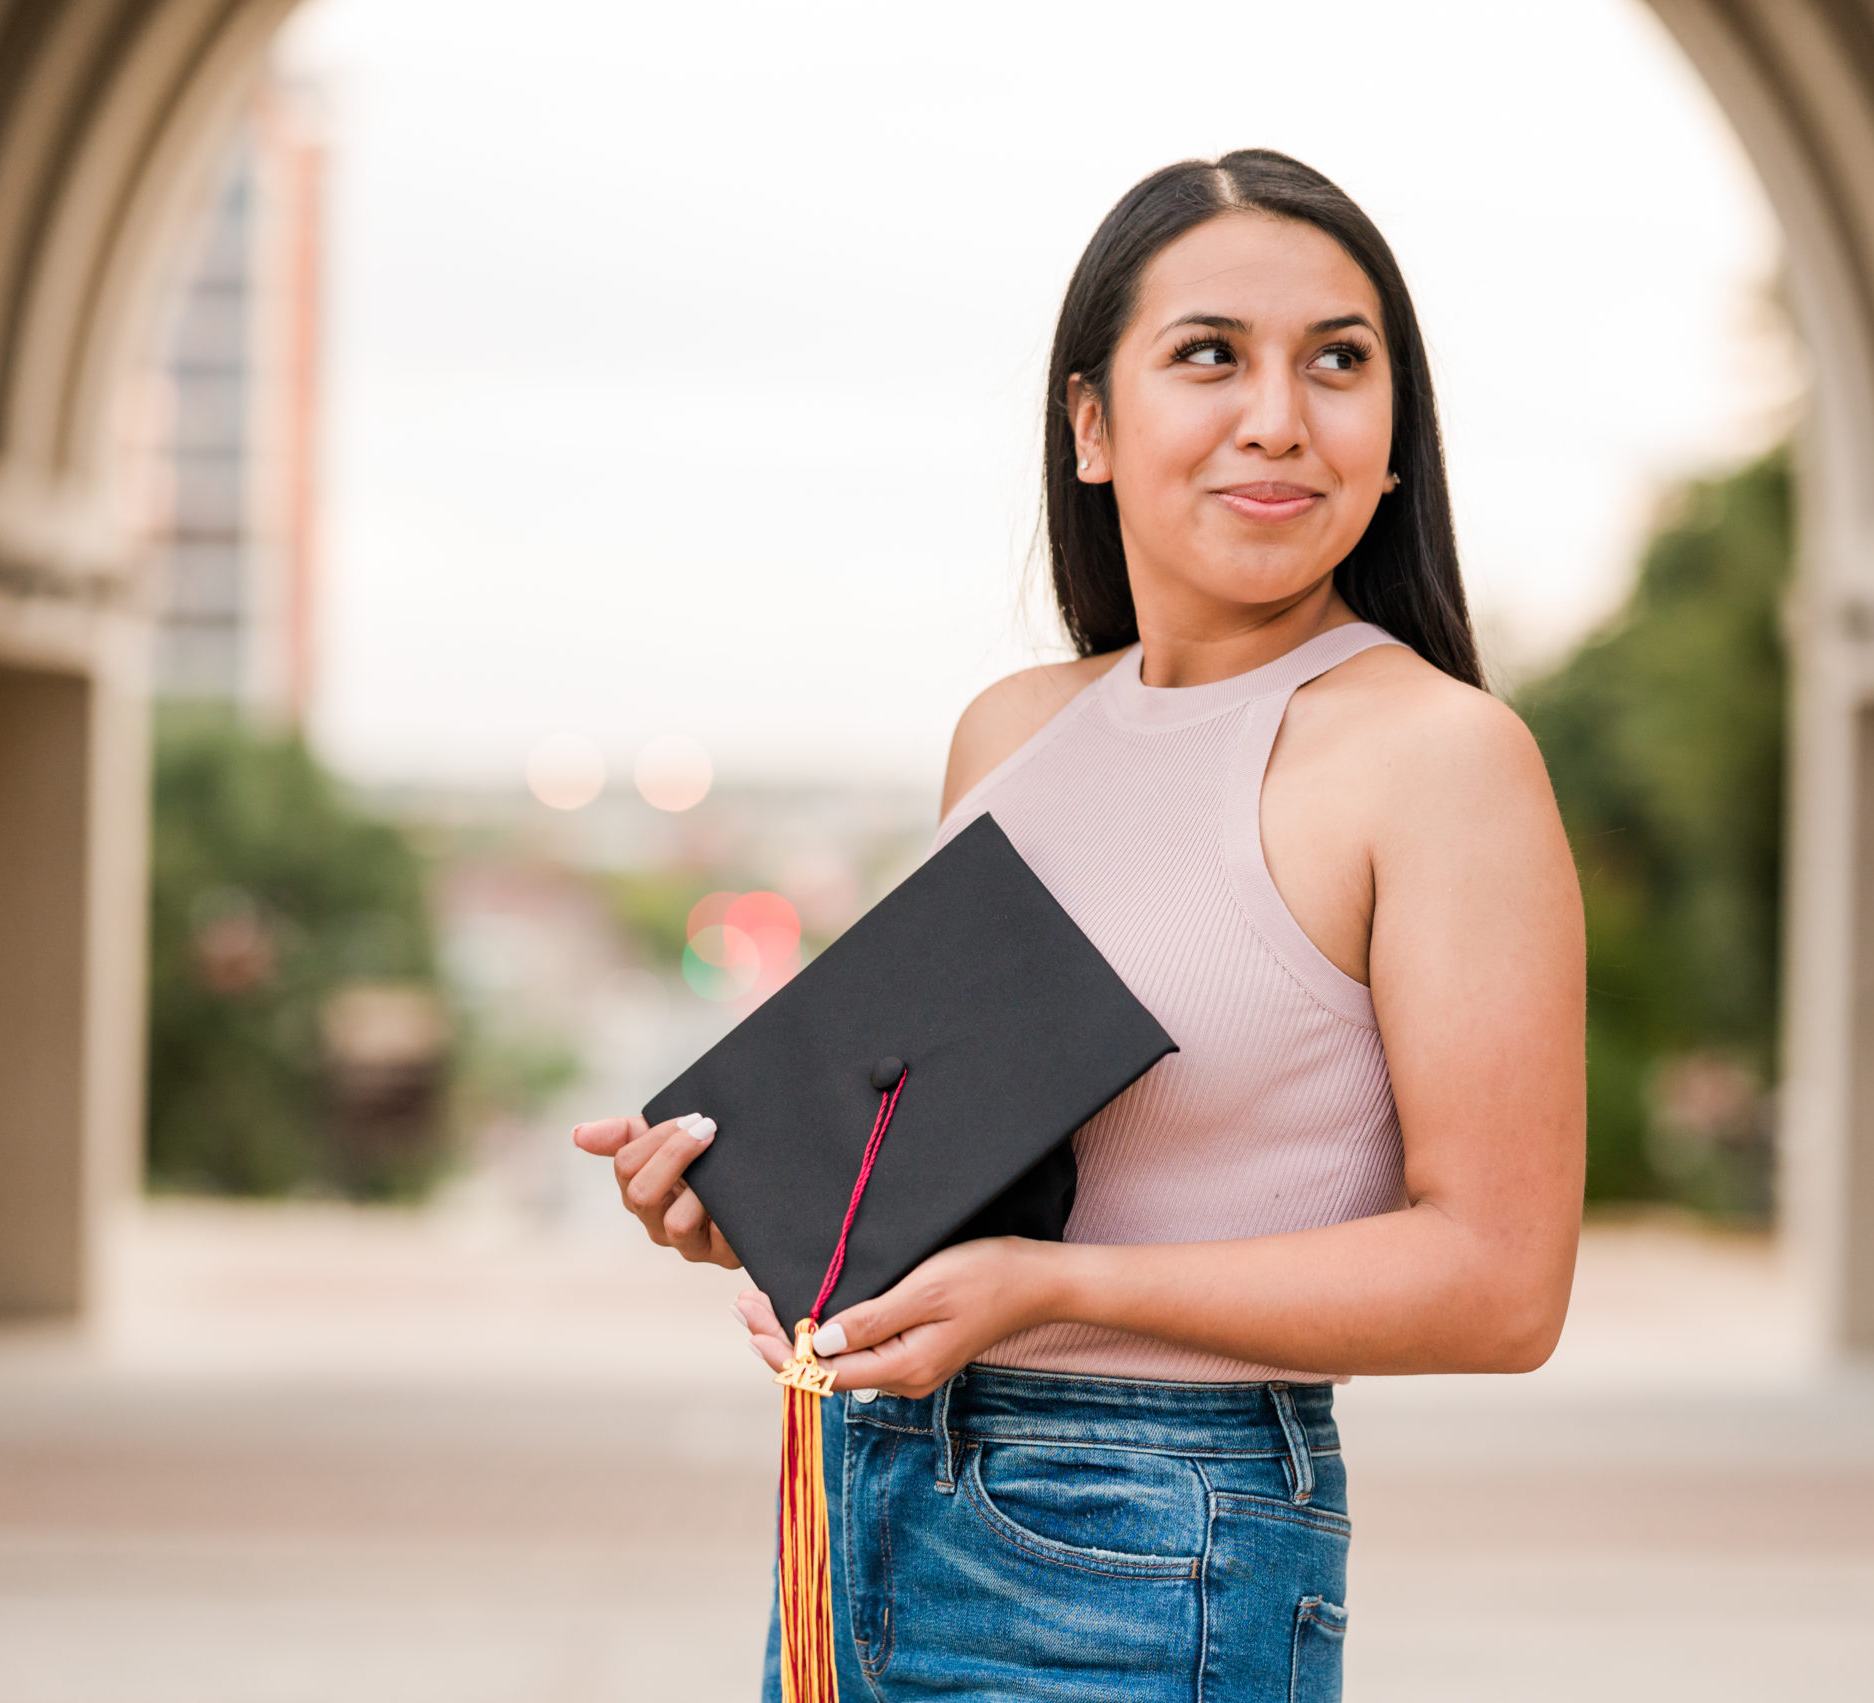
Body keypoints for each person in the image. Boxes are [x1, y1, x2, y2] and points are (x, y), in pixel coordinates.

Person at [572, 148, 1583, 1702]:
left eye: (1338, 362)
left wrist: (1061, 1293)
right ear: (1092, 426)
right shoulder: (1011, 734)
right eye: (1208, 356)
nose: (1278, 417)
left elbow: (1502, 1284)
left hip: (1156, 1532)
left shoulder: (1435, 757)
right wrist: (766, 1205)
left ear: (1395, 441)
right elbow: (972, 1160)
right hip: (866, 1493)